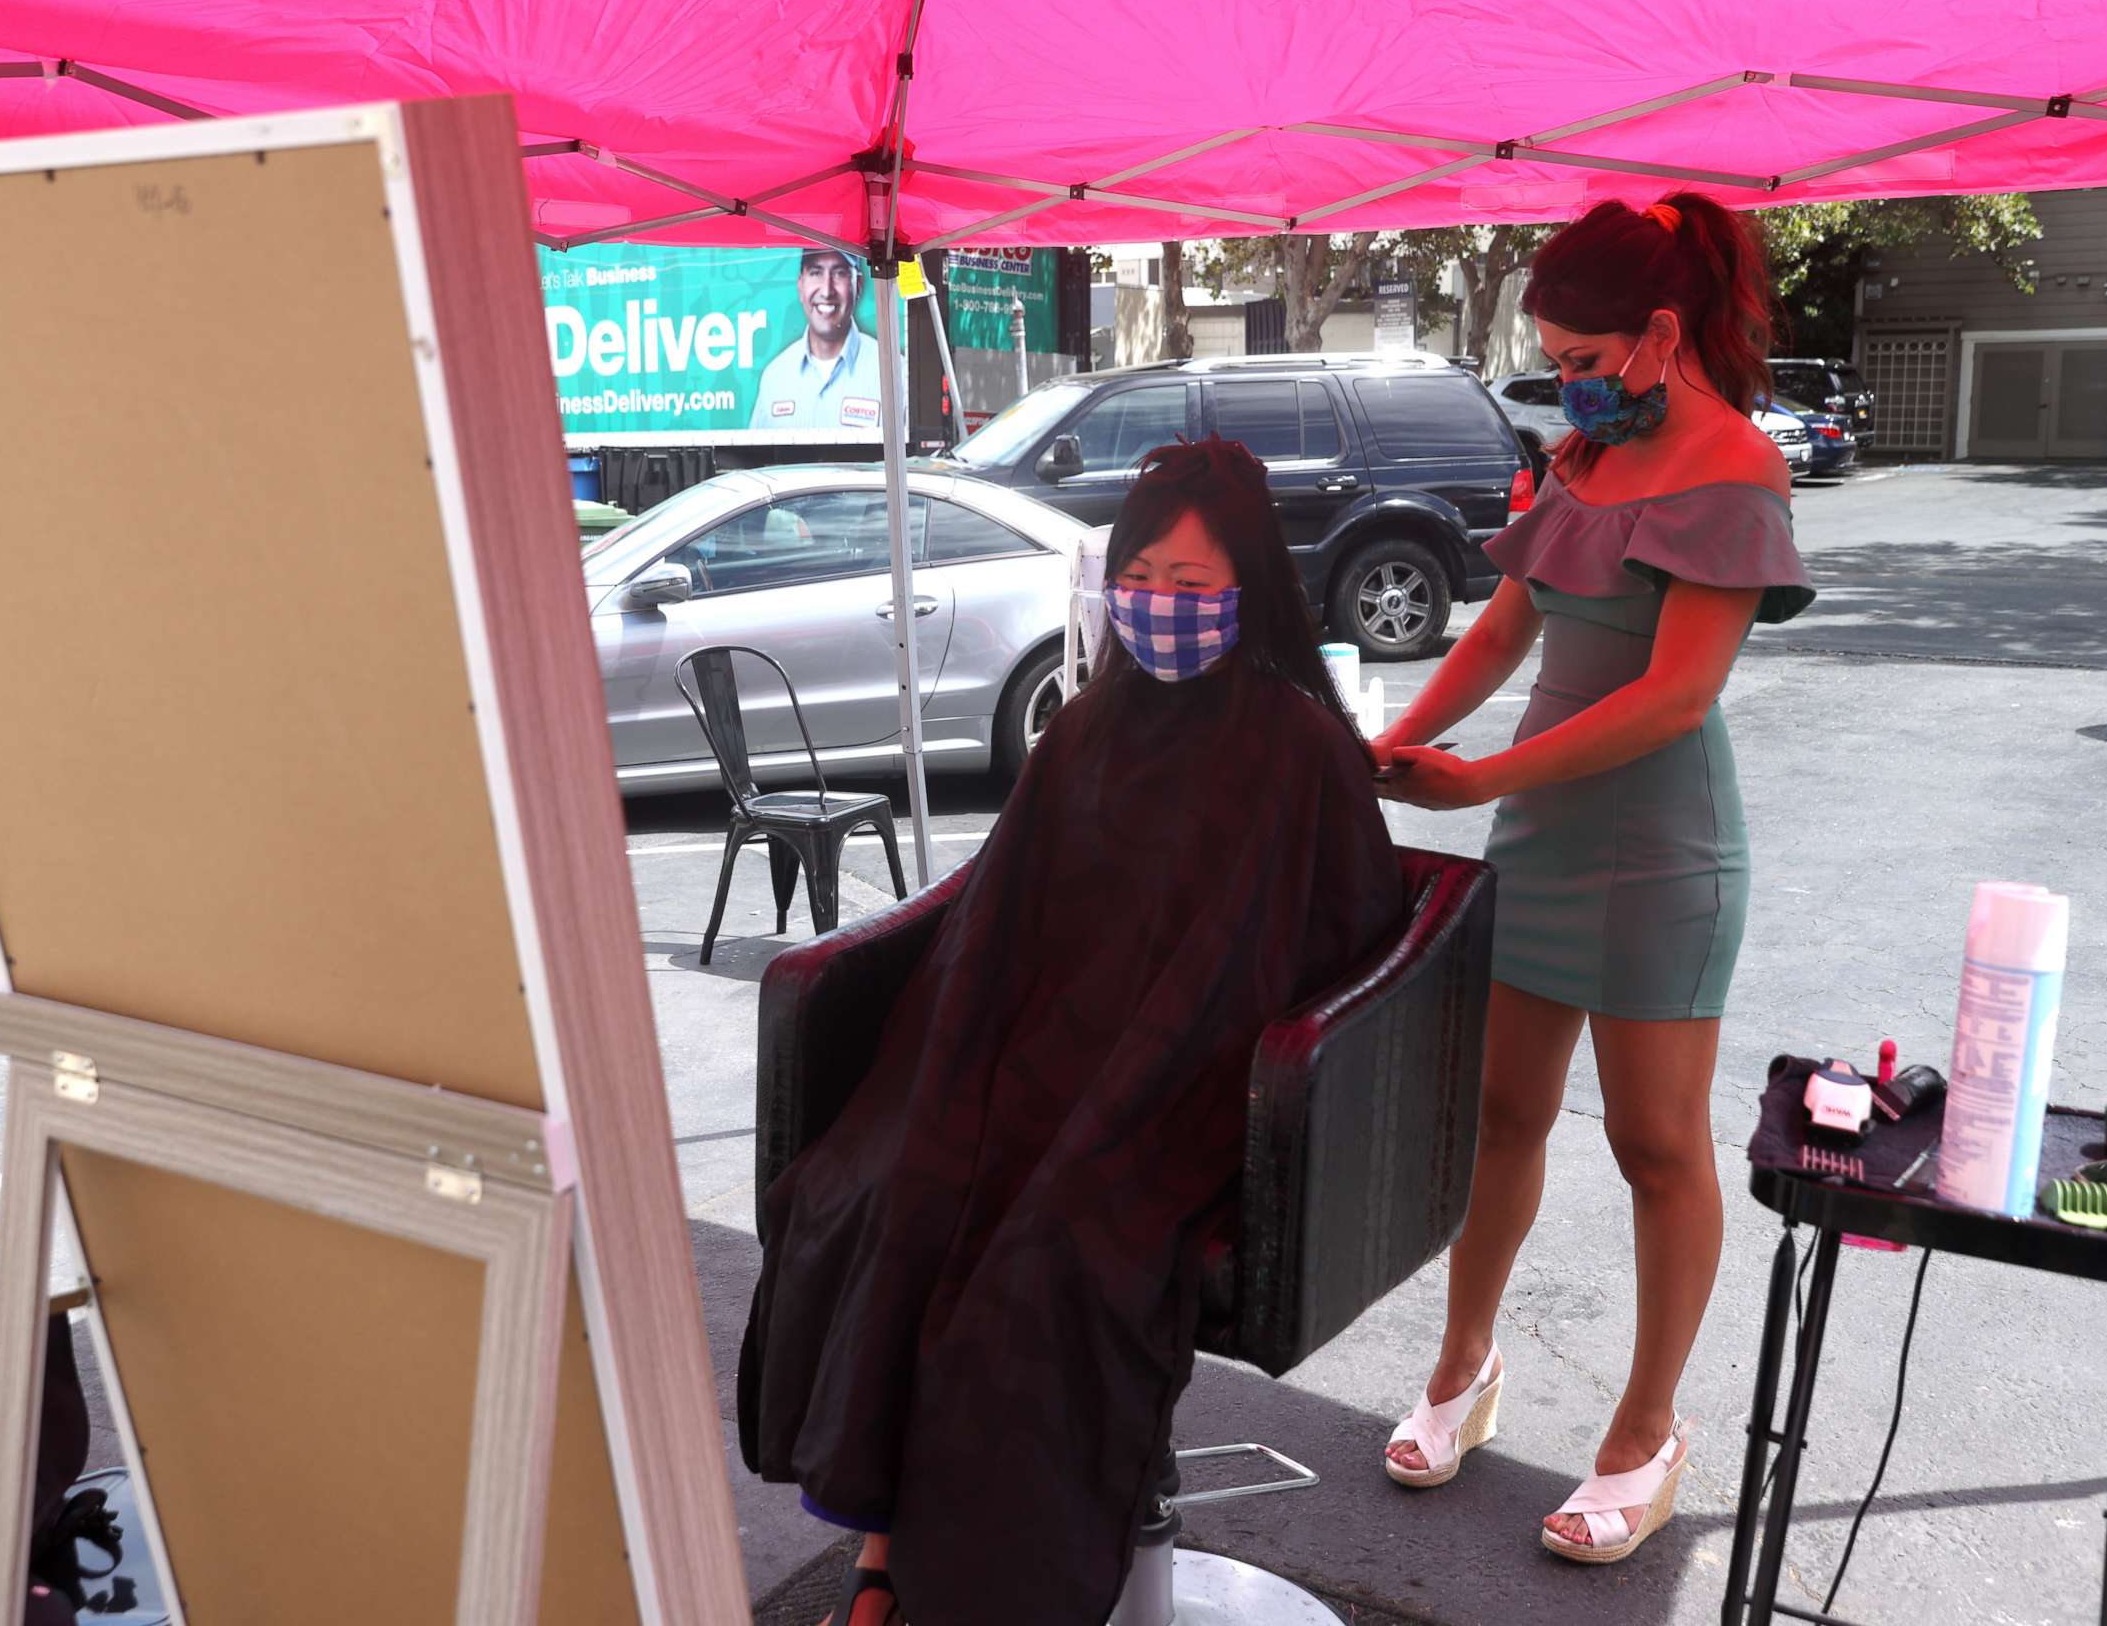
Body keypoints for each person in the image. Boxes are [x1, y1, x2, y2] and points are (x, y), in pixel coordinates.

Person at [738, 438, 1403, 1626]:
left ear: (1248, 590)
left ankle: (988, 1596)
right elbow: (999, 917)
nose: (1165, 609)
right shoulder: (1088, 724)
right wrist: (964, 1061)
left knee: (1045, 1262)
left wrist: (1162, 1057)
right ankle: (886, 1559)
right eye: (1143, 579)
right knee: (884, 1193)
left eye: (1197, 588)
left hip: (1190, 1089)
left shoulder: (1297, 748)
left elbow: (1346, 929)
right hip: (1033, 1047)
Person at [1372, 194, 1814, 1564]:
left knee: (1656, 1147)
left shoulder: (1736, 468)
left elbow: (1678, 698)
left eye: (1578, 352)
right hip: (1543, 837)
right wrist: (1403, 738)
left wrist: (1481, 781)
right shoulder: (1576, 458)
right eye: (1551, 352)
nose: (1563, 376)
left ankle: (1644, 1429)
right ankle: (1463, 1368)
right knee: (1502, 1116)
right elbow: (1503, 631)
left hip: (1661, 850)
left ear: (1659, 335)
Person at [748, 248, 883, 432]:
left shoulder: (891, 373)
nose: (827, 291)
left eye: (839, 273)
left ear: (858, 285)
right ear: (800, 285)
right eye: (816, 273)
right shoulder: (775, 377)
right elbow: (756, 458)